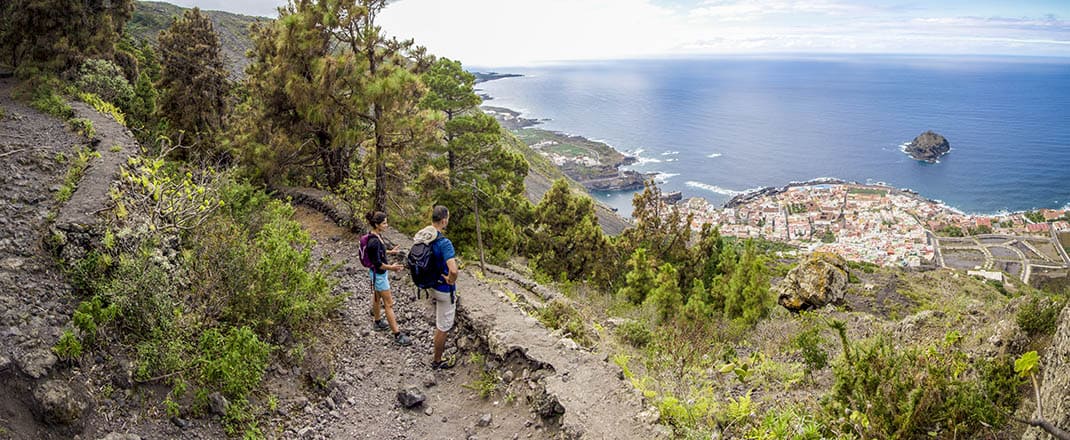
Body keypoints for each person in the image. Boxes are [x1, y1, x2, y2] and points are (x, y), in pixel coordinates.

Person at [412, 205, 459, 369]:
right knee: (443, 327)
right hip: (444, 290)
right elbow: (453, 270)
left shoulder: (423, 236)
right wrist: (451, 279)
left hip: (429, 284)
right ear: (444, 220)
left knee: (440, 319)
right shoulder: (444, 243)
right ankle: (437, 361)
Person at [365, 211, 412, 346]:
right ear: (377, 224)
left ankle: (378, 321)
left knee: (377, 296)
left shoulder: (375, 236)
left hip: (375, 274)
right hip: (379, 275)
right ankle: (397, 335)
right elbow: (378, 263)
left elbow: (378, 254)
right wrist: (393, 268)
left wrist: (390, 252)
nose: (387, 225)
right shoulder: (374, 242)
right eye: (384, 223)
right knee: (389, 304)